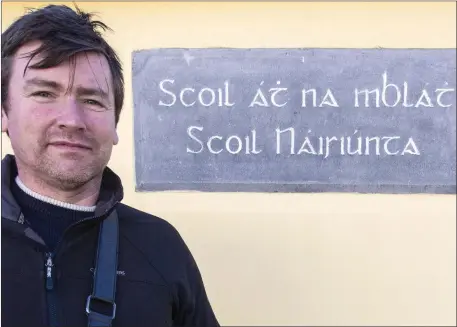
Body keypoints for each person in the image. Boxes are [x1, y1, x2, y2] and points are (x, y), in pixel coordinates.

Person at [1, 4, 220, 327]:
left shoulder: (161, 247)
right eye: (45, 93)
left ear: (115, 123)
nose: (72, 121)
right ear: (4, 113)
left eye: (92, 100)